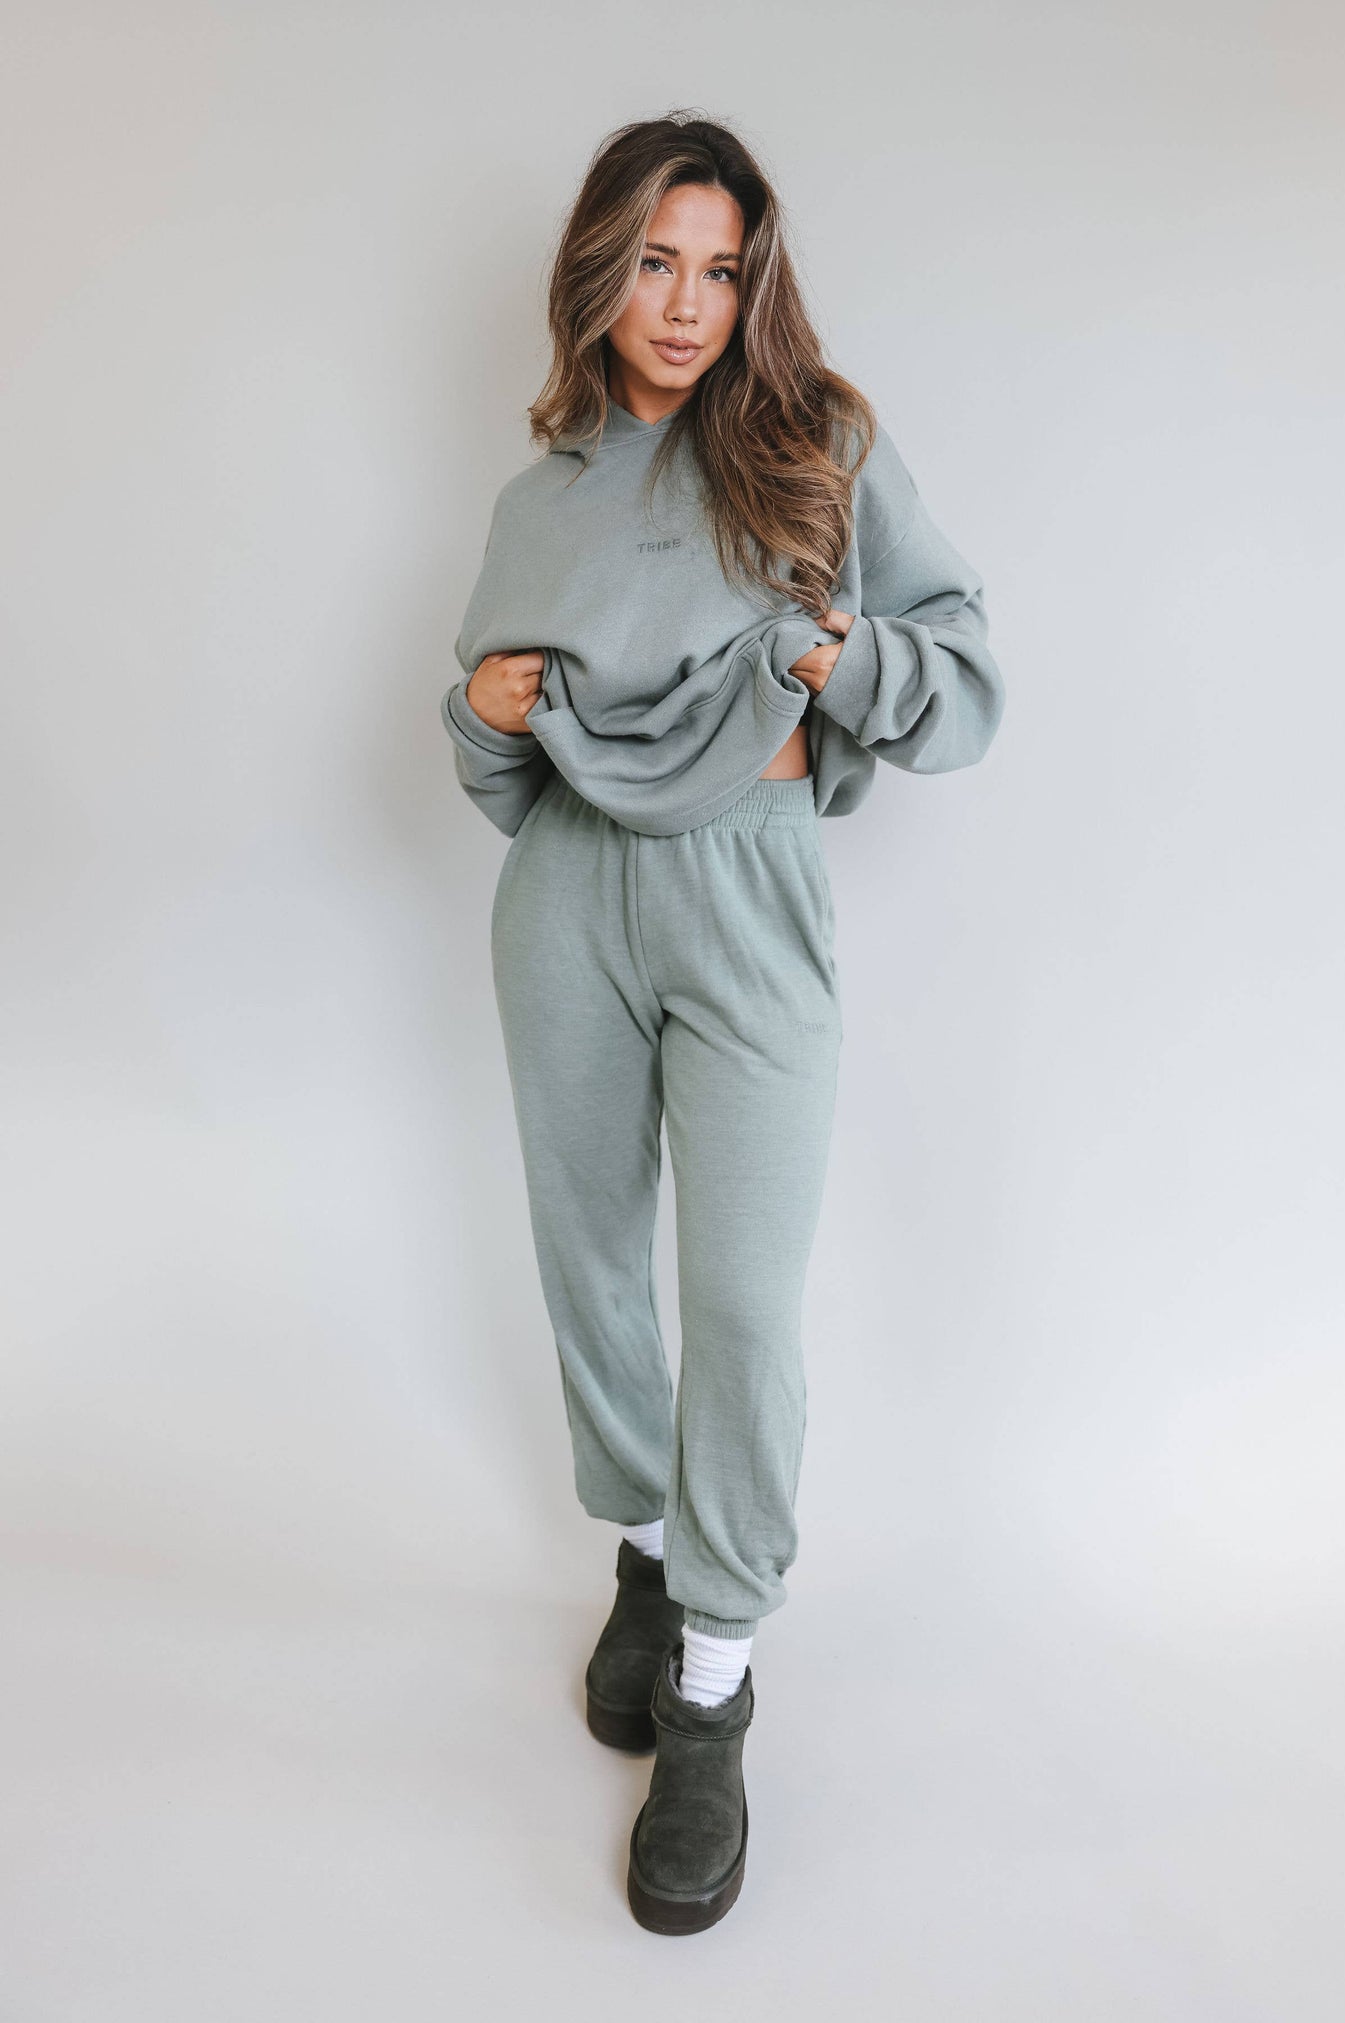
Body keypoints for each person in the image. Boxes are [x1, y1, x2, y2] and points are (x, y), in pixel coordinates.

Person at [439, 110, 1005, 1935]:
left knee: (745, 1302)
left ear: (754, 281)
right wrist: (481, 709)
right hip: (567, 898)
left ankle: (713, 1685)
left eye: (720, 267)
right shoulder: (540, 495)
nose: (686, 305)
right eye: (655, 264)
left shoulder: (817, 443)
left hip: (749, 892)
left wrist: (845, 656)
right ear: (599, 273)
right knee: (591, 1263)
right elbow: (503, 768)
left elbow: (963, 682)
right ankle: (645, 1555)